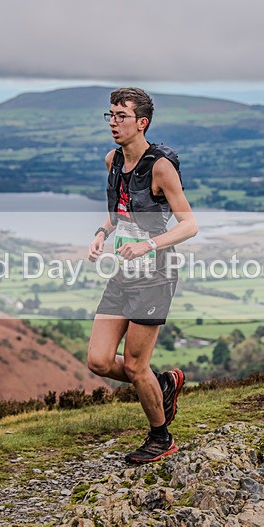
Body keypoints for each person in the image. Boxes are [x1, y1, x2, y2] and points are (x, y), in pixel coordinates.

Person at [87, 87, 198, 464]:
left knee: (135, 366)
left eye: (122, 116)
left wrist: (148, 245)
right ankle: (162, 383)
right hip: (124, 272)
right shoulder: (112, 160)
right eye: (111, 114)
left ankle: (161, 437)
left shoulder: (160, 168)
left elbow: (189, 225)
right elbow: (118, 216)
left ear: (142, 123)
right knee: (99, 361)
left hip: (156, 275)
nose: (113, 122)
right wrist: (101, 234)